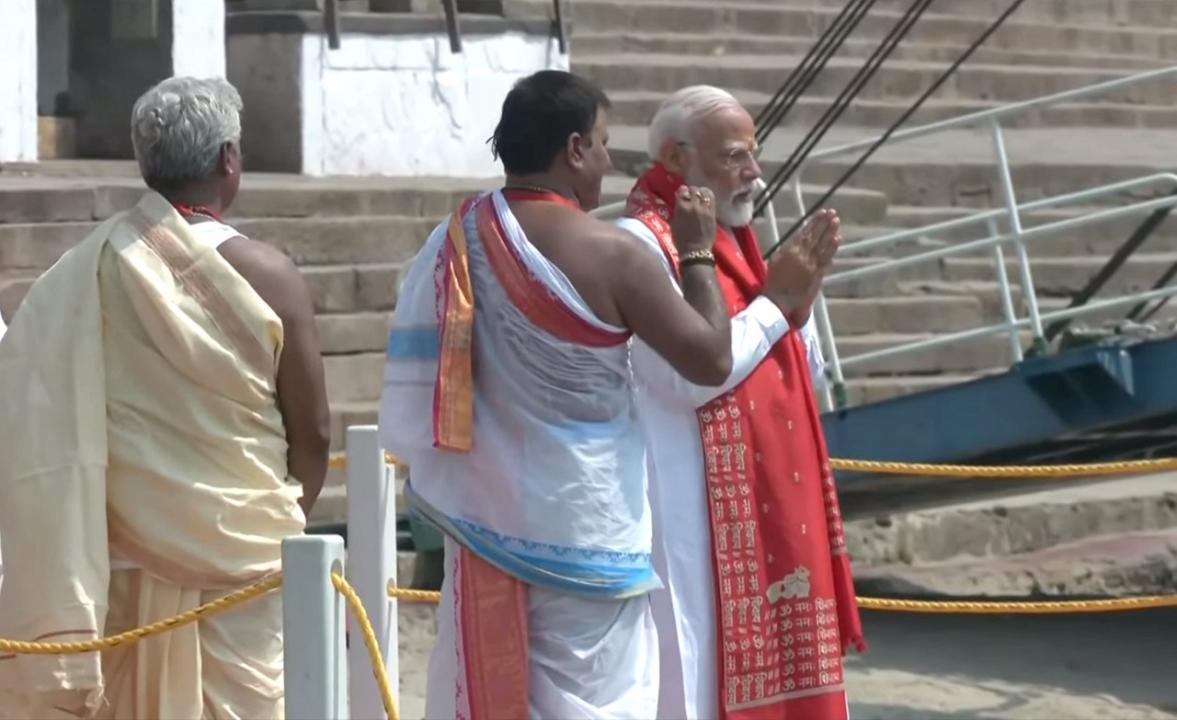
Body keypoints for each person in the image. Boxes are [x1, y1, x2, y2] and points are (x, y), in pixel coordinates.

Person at [378, 69, 811, 718]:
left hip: (482, 522)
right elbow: (709, 356)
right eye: (604, 144)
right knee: (599, 701)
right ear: (575, 148)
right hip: (586, 529)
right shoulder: (613, 254)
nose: (609, 162)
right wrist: (696, 254)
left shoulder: (449, 241)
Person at [0, 76, 330, 719]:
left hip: (118, 564)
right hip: (245, 562)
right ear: (228, 160)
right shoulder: (269, 274)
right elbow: (313, 431)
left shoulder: (81, 272)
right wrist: (271, 522)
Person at [619, 85, 865, 720]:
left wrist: (797, 305)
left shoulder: (743, 242)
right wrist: (777, 304)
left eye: (753, 155)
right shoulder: (643, 243)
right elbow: (690, 377)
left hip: (774, 508)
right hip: (690, 517)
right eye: (733, 156)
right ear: (676, 160)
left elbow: (798, 372)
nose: (753, 172)